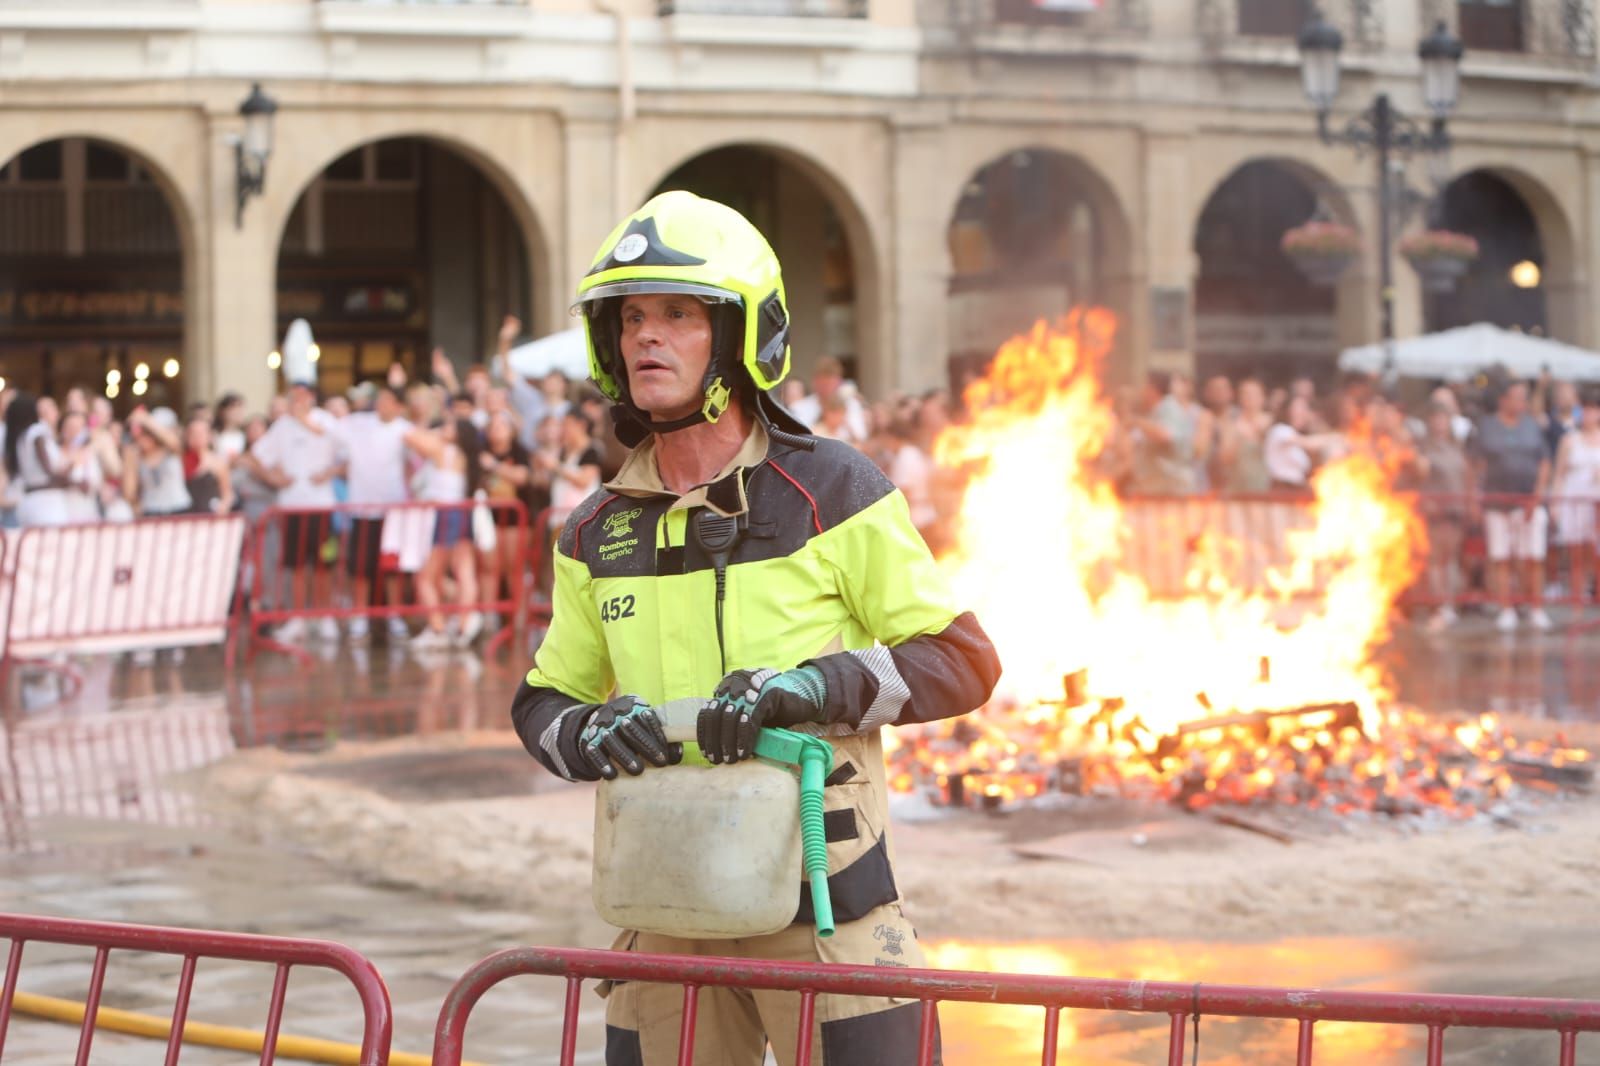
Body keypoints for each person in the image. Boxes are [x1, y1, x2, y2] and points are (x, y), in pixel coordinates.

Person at [510, 191, 1001, 1066]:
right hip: (661, 911)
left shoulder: (835, 490)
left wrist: (811, 688)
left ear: (740, 337)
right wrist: (588, 731)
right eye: (629, 318)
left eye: (676, 314)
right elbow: (542, 699)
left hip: (824, 906)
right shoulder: (594, 530)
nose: (645, 337)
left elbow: (961, 661)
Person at [249, 381, 341, 642]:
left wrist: (330, 472)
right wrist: (274, 477)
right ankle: (298, 618)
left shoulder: (325, 421)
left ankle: (325, 617)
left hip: (321, 506)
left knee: (324, 565)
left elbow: (341, 447)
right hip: (292, 506)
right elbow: (258, 455)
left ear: (311, 397)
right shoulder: (282, 426)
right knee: (296, 565)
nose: (296, 401)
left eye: (300, 396)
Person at [332, 384, 414, 642]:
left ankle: (394, 614)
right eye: (381, 398)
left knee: (392, 567)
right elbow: (333, 425)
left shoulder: (405, 429)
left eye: (389, 400)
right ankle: (359, 615)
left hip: (392, 510)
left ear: (399, 406)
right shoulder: (359, 422)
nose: (382, 403)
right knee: (360, 567)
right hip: (362, 509)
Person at [1473, 380, 1552, 632]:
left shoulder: (1532, 426)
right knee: (1501, 557)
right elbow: (1476, 464)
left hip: (1528, 502)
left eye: (1524, 398)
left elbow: (1544, 462)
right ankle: (1507, 608)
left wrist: (1536, 497)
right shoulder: (1487, 427)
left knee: (1534, 557)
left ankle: (1536, 607)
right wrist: (1475, 497)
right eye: (1517, 397)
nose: (1521, 403)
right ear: (1503, 400)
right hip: (1497, 504)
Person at [405, 415, 484, 649]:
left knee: (426, 577)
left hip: (445, 515)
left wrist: (438, 430)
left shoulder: (445, 450)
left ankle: (438, 628)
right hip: (461, 514)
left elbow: (409, 435)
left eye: (451, 425)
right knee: (464, 572)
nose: (445, 427)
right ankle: (464, 622)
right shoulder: (467, 457)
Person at [1416, 403, 1473, 630]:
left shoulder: (1456, 448)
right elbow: (1419, 474)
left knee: (1450, 559)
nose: (1440, 423)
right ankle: (1438, 606)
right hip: (1435, 510)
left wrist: (1469, 502)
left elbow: (1465, 474)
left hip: (1455, 509)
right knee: (1435, 559)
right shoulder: (1424, 447)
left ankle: (1448, 604)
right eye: (1436, 418)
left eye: (1444, 418)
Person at [1550, 391, 1600, 609]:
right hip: (1574, 501)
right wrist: (1555, 503)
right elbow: (1559, 474)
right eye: (1585, 409)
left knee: (1595, 554)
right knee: (1576, 554)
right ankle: (1577, 602)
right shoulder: (1569, 440)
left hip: (1596, 504)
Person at [4, 393, 74, 527]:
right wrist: (67, 478)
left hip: (28, 503)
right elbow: (47, 468)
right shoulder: (37, 432)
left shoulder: (20, 437)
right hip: (46, 505)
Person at [1128, 371, 1197, 496]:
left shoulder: (1168, 407)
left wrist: (1136, 421)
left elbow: (1165, 435)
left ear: (1152, 389)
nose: (1141, 392)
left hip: (1170, 488)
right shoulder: (1156, 411)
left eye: (1144, 387)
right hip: (1157, 487)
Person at [124, 406, 191, 517]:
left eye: (147, 434)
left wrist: (144, 419)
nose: (143, 438)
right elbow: (129, 493)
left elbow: (174, 441)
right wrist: (129, 462)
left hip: (179, 508)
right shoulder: (135, 457)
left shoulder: (171, 450)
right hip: (151, 510)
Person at [790, 355, 869, 443]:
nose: (826, 388)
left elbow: (861, 438)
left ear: (839, 381)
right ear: (814, 381)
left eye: (829, 383)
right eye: (822, 383)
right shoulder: (799, 407)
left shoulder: (852, 405)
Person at [183, 415, 235, 515]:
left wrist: (223, 507)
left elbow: (227, 493)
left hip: (210, 517)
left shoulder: (218, 462)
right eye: (193, 433)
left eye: (201, 433)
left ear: (209, 436)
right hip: (186, 517)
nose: (197, 437)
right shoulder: (180, 460)